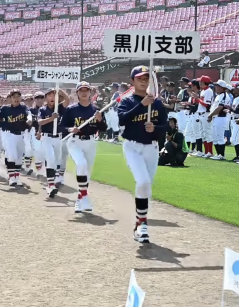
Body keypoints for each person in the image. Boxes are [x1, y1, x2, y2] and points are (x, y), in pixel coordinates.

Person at [117, 65, 167, 244]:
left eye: (146, 77)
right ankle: (143, 225)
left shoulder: (158, 103)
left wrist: (156, 128)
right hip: (132, 147)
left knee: (147, 186)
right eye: (139, 78)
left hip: (152, 148)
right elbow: (122, 119)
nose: (143, 80)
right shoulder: (127, 101)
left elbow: (165, 127)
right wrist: (141, 105)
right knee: (143, 181)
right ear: (133, 81)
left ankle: (139, 223)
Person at [61, 82, 107, 212]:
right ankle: (85, 196)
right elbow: (61, 127)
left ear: (91, 93)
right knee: (81, 164)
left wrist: (99, 120)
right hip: (75, 142)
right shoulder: (71, 109)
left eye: (87, 90)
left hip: (91, 142)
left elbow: (104, 128)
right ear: (77, 93)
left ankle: (80, 199)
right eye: (81, 90)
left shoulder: (96, 109)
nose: (84, 92)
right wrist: (70, 129)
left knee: (87, 172)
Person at [0, 89, 31, 186]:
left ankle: (16, 176)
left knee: (19, 157)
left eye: (18, 96)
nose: (16, 98)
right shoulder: (5, 109)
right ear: (10, 98)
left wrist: (29, 119)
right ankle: (11, 177)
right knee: (12, 155)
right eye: (14, 97)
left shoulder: (24, 108)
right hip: (8, 134)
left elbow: (28, 115)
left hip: (21, 134)